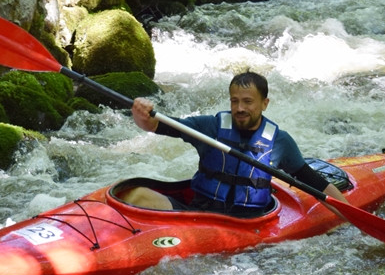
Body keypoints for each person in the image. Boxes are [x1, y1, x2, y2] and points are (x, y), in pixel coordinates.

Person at [119, 71, 349, 215]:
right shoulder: (211, 127)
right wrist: (142, 116)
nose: (240, 108)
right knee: (135, 194)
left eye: (248, 102)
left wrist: (348, 213)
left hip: (247, 222)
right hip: (199, 214)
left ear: (264, 103)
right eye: (235, 101)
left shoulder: (279, 142)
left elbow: (313, 182)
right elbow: (161, 126)